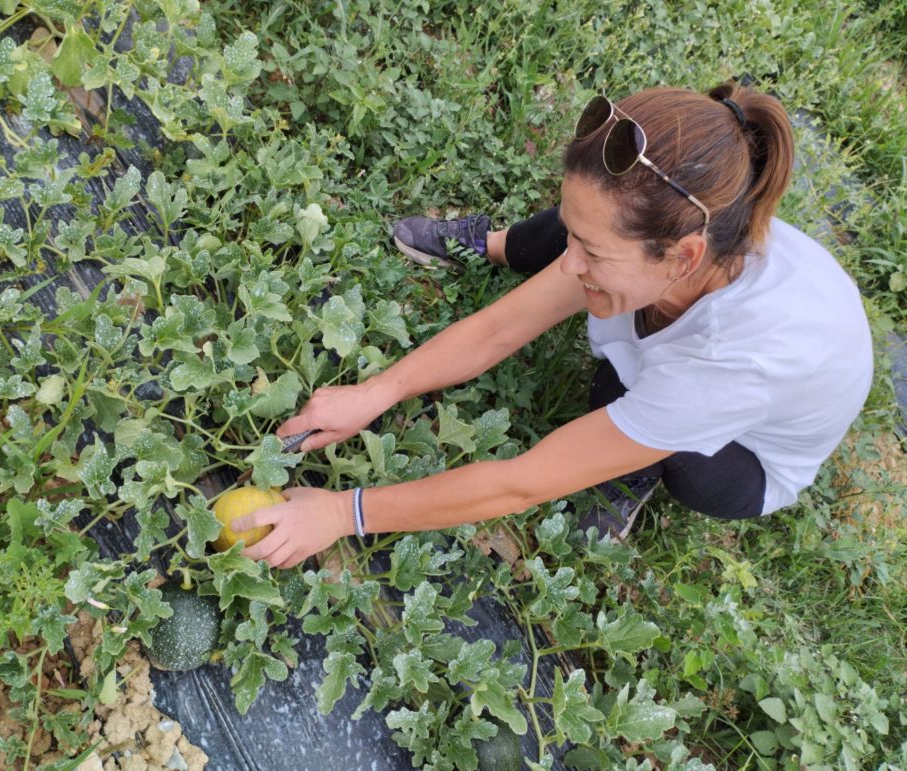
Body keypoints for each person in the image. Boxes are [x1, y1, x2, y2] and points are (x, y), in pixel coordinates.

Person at [233, 82, 874, 569]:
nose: (571, 267)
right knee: (564, 234)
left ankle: (633, 468)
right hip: (677, 301)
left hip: (749, 457)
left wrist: (346, 513)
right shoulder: (681, 236)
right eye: (578, 238)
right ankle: (497, 241)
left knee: (632, 414)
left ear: (684, 258)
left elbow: (519, 484)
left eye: (591, 254)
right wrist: (375, 393)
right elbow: (496, 332)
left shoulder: (730, 370)